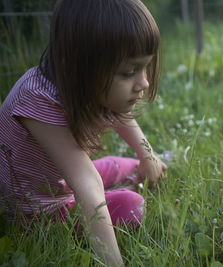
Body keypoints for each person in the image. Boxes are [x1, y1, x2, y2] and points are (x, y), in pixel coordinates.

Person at [0, 0, 167, 265]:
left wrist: (148, 156)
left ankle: (143, 166)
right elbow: (86, 183)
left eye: (145, 67)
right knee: (132, 205)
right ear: (79, 65)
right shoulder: (37, 100)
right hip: (37, 210)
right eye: (129, 72)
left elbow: (120, 117)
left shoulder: (82, 85)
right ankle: (125, 183)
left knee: (121, 164)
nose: (144, 82)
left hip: (59, 181)